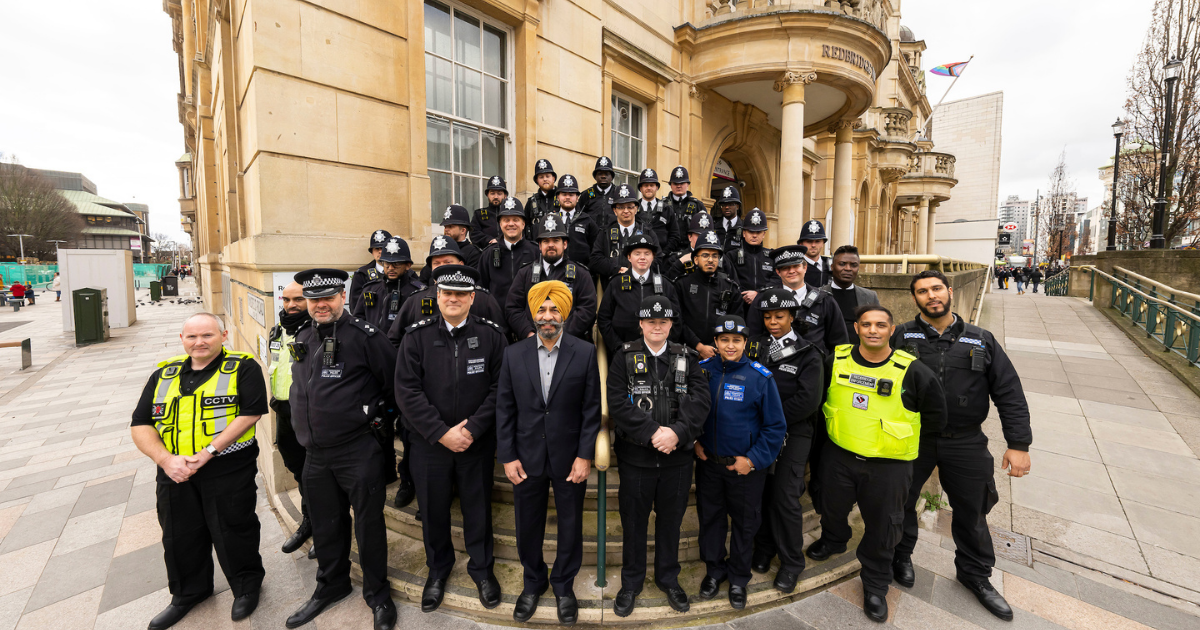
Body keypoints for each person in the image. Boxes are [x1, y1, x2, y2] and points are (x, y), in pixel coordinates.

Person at [891, 270, 1032, 622]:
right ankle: (900, 557)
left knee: (972, 511)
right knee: (900, 502)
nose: (931, 295)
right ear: (915, 299)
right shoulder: (900, 336)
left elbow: (1009, 392)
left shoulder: (981, 339)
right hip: (913, 438)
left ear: (950, 291)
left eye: (936, 288)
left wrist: (1018, 443)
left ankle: (975, 574)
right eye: (922, 291)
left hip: (966, 441)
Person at [807, 305, 946, 623]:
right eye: (866, 324)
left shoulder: (912, 371)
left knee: (883, 528)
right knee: (830, 507)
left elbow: (937, 418)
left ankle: (874, 584)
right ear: (856, 328)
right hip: (839, 456)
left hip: (888, 466)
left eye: (880, 325)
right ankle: (833, 539)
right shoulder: (836, 360)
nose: (872, 330)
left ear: (892, 330)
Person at [130, 312, 266, 629]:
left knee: (234, 528)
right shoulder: (163, 374)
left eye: (207, 335)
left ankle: (246, 587)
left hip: (227, 466)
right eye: (192, 336)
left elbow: (251, 413)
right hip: (175, 470)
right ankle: (188, 593)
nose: (199, 342)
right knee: (179, 534)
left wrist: (207, 453)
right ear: (182, 340)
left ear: (223, 335)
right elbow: (140, 423)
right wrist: (165, 460)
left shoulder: (243, 367)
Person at [285, 269, 398, 630]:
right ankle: (331, 585)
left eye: (328, 298)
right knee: (326, 525)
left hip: (357, 450)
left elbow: (394, 385)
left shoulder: (366, 337)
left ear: (342, 298)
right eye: (313, 299)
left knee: (368, 525)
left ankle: (378, 594)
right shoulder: (303, 334)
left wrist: (374, 422)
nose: (320, 305)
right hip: (315, 454)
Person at [395, 265, 507, 613]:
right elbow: (407, 391)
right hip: (430, 445)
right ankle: (438, 570)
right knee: (432, 510)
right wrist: (442, 433)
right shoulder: (417, 337)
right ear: (437, 297)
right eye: (447, 293)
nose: (454, 299)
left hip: (476, 444)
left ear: (473, 297)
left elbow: (500, 389)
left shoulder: (491, 336)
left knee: (478, 508)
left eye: (461, 293)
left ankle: (483, 570)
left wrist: (472, 429)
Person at [495, 281, 602, 625]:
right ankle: (532, 582)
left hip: (570, 457)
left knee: (570, 525)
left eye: (554, 309)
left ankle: (564, 586)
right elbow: (504, 409)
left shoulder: (584, 352)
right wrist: (508, 456)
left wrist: (585, 455)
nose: (547, 316)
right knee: (528, 525)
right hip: (525, 457)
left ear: (565, 314)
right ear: (532, 314)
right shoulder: (513, 354)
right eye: (541, 309)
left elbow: (590, 410)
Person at [608, 295, 709, 617]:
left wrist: (677, 433)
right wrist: (654, 432)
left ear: (670, 324)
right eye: (650, 321)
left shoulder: (687, 357)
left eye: (663, 321)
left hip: (677, 459)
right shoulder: (623, 356)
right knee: (633, 523)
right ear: (641, 323)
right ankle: (631, 582)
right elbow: (617, 403)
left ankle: (669, 579)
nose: (657, 326)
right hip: (636, 458)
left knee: (671, 523)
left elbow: (701, 400)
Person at [693, 315, 786, 610]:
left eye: (736, 340)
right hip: (709, 464)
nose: (730, 346)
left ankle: (738, 578)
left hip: (744, 468)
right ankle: (714, 571)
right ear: (716, 343)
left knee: (745, 525)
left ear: (745, 342)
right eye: (724, 340)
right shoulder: (702, 371)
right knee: (711, 520)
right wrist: (694, 441)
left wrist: (753, 460)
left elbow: (775, 427)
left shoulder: (760, 377)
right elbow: (689, 412)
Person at [744, 288, 824, 593]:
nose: (773, 322)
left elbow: (807, 401)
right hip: (759, 433)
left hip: (793, 432)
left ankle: (792, 563)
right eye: (768, 317)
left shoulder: (808, 353)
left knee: (785, 497)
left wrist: (769, 420)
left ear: (792, 317)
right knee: (762, 493)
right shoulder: (756, 348)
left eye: (779, 316)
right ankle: (765, 549)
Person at [389, 236, 506, 348]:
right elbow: (395, 340)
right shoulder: (415, 300)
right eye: (436, 263)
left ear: (461, 264)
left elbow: (501, 338)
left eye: (447, 262)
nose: (441, 267)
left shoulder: (483, 299)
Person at [270, 282, 316, 558]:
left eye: (298, 299)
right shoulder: (278, 330)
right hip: (284, 413)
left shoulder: (316, 331)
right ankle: (309, 521)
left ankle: (323, 527)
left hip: (309, 414)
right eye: (286, 299)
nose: (291, 305)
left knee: (317, 475)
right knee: (298, 471)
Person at [504, 217, 598, 340]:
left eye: (556, 240)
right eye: (546, 241)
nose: (551, 245)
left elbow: (587, 309)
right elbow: (513, 308)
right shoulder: (525, 273)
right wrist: (529, 333)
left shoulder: (580, 273)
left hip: (569, 343)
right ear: (539, 245)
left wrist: (561, 335)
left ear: (565, 244)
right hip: (532, 343)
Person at [745, 245, 848, 354]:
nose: (791, 271)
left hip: (814, 365)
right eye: (785, 268)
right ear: (778, 272)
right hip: (773, 364)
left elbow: (839, 342)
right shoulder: (763, 298)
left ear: (805, 267)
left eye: (796, 266)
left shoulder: (825, 300)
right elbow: (753, 336)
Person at [596, 232, 684, 356]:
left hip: (659, 355)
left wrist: (663, 348)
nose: (642, 257)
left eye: (647, 254)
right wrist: (617, 347)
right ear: (629, 257)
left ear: (653, 257)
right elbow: (604, 319)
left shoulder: (666, 285)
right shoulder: (616, 283)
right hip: (622, 353)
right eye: (637, 253)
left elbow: (677, 320)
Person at [675, 229, 744, 360]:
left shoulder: (730, 287)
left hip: (719, 354)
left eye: (715, 256)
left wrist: (714, 347)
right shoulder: (682, 285)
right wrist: (699, 346)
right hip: (687, 352)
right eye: (705, 255)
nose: (710, 260)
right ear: (696, 259)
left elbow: (736, 322)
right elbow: (678, 321)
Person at [352, 236, 426, 330]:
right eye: (387, 263)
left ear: (408, 265)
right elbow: (358, 320)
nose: (390, 268)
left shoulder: (418, 292)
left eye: (396, 264)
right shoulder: (370, 289)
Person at [477, 197, 540, 303]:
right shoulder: (488, 254)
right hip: (496, 316)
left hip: (527, 316)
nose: (511, 224)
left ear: (523, 224)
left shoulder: (536, 252)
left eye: (516, 220)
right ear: (500, 224)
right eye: (506, 220)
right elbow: (481, 289)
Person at [589, 183, 649, 289]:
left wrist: (634, 271)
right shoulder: (605, 233)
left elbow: (657, 259)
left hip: (640, 288)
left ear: (636, 209)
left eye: (630, 207)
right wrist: (617, 269)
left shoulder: (646, 232)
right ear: (614, 210)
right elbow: (595, 260)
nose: (626, 211)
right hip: (611, 287)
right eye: (621, 207)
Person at [819, 245, 881, 339]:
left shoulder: (870, 296)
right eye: (842, 264)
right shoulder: (818, 294)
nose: (848, 268)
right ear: (832, 267)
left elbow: (878, 327)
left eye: (854, 265)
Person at [420, 205, 482, 283]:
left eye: (450, 226)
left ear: (463, 231)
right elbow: (423, 279)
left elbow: (473, 281)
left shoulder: (473, 254)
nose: (446, 229)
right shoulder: (439, 249)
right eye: (445, 226)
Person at [727, 207, 775, 303]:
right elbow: (728, 280)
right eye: (751, 231)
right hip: (739, 304)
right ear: (744, 233)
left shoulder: (772, 256)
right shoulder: (732, 256)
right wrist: (744, 295)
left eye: (758, 232)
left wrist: (758, 294)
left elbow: (776, 281)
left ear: (764, 234)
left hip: (765, 304)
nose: (754, 235)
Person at [553, 174, 600, 266]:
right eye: (564, 194)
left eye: (571, 194)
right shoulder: (550, 220)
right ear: (558, 197)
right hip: (555, 272)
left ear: (577, 198)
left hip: (581, 272)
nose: (567, 197)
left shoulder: (587, 220)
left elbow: (596, 249)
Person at [635, 168, 683, 253]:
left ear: (657, 187)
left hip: (661, 259)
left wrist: (663, 254)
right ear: (640, 188)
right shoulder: (633, 208)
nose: (649, 188)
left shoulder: (667, 209)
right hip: (637, 256)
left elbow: (675, 236)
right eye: (646, 185)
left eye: (652, 185)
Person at [348, 229, 390, 312]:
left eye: (383, 248)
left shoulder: (404, 272)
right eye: (376, 249)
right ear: (372, 252)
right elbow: (355, 306)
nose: (380, 251)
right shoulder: (362, 274)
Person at [525, 159, 558, 240]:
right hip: (536, 247)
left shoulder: (562, 198)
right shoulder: (531, 201)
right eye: (541, 177)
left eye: (548, 176)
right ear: (537, 180)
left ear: (553, 178)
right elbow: (525, 224)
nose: (545, 179)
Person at [470, 176, 508, 247]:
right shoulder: (479, 215)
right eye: (492, 193)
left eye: (499, 194)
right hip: (485, 253)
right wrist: (490, 240)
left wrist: (499, 240)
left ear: (505, 196)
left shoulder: (510, 215)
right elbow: (474, 234)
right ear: (487, 195)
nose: (496, 197)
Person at [797, 219, 832, 288]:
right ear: (801, 244)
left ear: (823, 243)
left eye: (817, 241)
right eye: (809, 241)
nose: (813, 245)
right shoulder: (796, 266)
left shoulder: (831, 265)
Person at [713, 185, 743, 251]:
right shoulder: (714, 227)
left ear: (737, 206)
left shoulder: (744, 228)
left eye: (730, 204)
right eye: (723, 205)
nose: (726, 207)